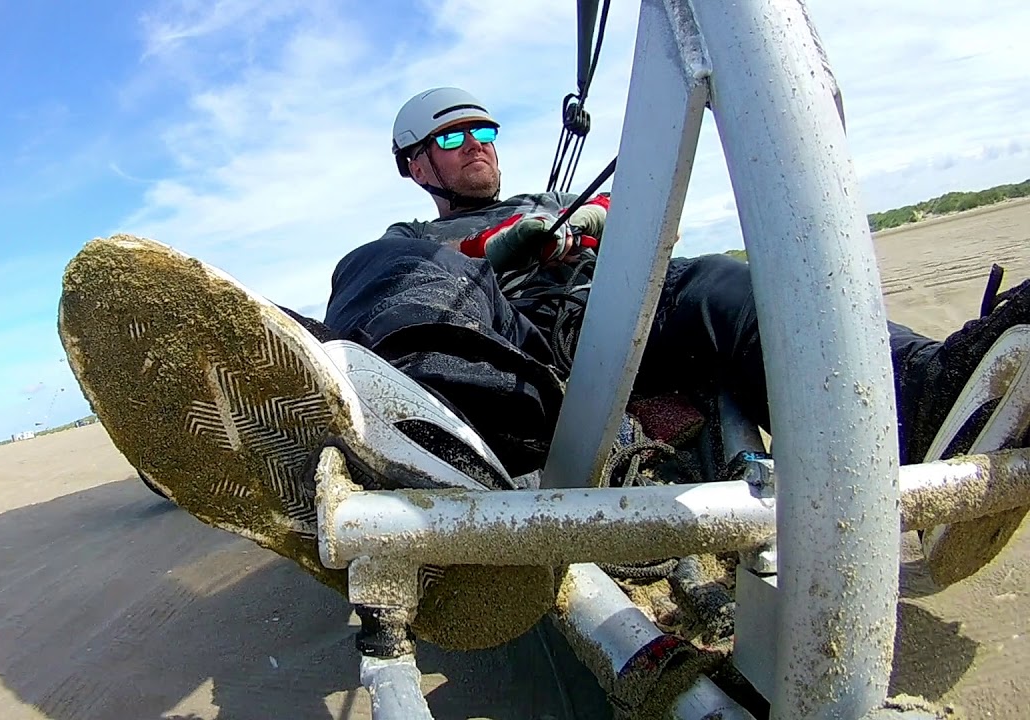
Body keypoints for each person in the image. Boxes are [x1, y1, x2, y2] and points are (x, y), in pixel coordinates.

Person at [57, 87, 1030, 653]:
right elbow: (419, 276)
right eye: (451, 138)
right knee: (375, 274)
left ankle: (929, 395)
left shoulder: (557, 198)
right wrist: (496, 252)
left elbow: (650, 257)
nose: (475, 147)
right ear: (416, 166)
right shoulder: (411, 236)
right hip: (498, 339)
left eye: (482, 131)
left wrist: (599, 233)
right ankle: (431, 432)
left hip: (625, 318)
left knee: (724, 282)